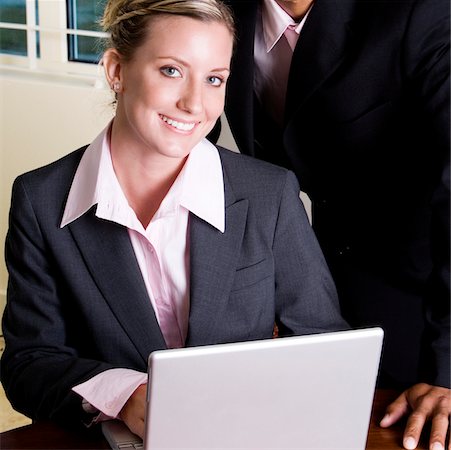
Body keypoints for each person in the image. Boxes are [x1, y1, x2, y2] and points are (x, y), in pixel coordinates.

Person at [0, 0, 349, 439]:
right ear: (116, 71)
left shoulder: (269, 193)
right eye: (171, 70)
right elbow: (29, 365)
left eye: (214, 79)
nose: (194, 104)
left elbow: (323, 346)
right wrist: (127, 395)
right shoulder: (41, 200)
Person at [219, 0, 450, 449]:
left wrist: (448, 366)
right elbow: (190, 139)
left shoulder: (424, 12)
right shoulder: (221, 6)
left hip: (425, 289)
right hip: (319, 280)